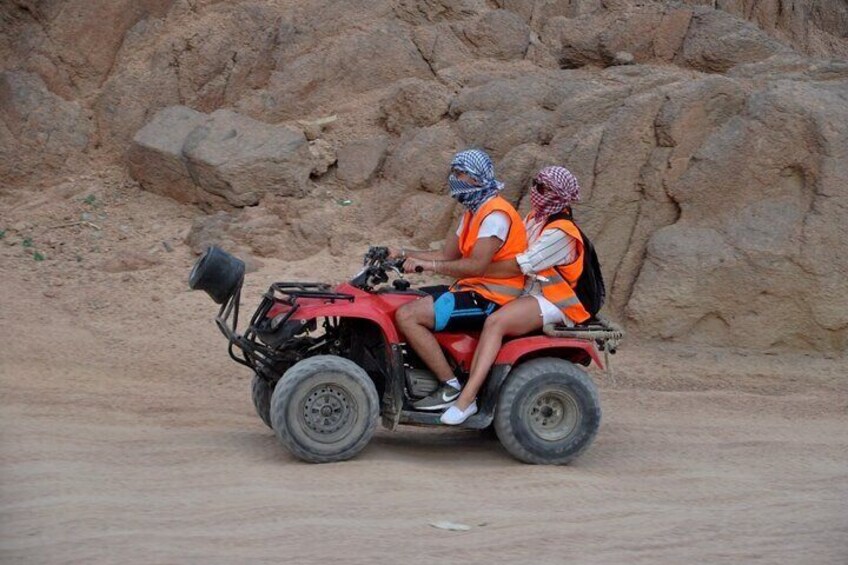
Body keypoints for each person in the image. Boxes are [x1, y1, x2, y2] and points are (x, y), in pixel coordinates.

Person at [440, 165, 594, 425]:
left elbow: (521, 264)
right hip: (528, 292)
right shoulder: (534, 218)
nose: (535, 191)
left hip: (555, 299)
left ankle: (467, 399)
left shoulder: (562, 233)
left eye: (543, 188)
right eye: (535, 184)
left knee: (495, 322)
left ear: (558, 195)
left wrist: (474, 268)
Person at [393, 149, 528, 412]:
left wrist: (429, 266)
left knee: (408, 316)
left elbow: (476, 265)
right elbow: (446, 255)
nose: (454, 178)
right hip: (471, 288)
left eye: (460, 173)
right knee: (404, 298)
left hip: (492, 297)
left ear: (476, 178)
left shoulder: (495, 215)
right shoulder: (471, 213)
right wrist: (401, 253)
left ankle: (450, 387)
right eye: (453, 172)